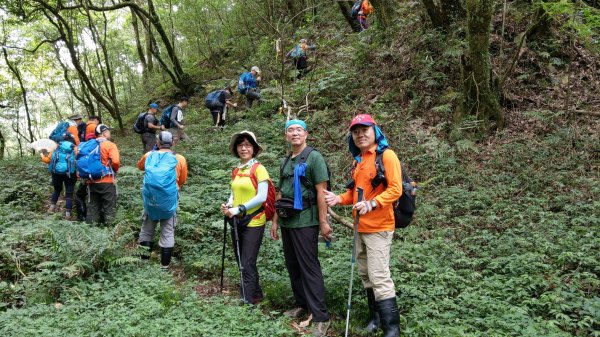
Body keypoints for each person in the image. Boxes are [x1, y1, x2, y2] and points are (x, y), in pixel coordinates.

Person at [323, 114, 401, 337]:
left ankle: (392, 330)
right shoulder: (359, 160)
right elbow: (355, 193)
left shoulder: (387, 156)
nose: (360, 134)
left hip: (379, 226)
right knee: (366, 275)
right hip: (360, 227)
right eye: (355, 131)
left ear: (374, 131)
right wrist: (339, 198)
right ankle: (375, 321)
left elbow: (396, 189)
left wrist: (373, 203)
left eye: (364, 130)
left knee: (379, 276)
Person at [269, 119, 332, 337]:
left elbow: (321, 192)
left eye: (298, 130)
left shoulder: (314, 157)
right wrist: (275, 220)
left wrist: (324, 222)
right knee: (293, 265)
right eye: (290, 130)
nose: (294, 133)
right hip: (287, 220)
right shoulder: (286, 160)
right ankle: (302, 304)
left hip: (306, 220)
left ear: (306, 134)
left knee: (309, 266)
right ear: (286, 136)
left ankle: (321, 317)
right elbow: (280, 193)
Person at [220, 131, 268, 304]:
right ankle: (256, 294)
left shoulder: (259, 169)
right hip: (236, 219)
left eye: (248, 145)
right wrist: (229, 205)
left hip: (254, 220)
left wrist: (239, 208)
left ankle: (246, 301)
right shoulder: (236, 170)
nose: (244, 148)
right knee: (242, 259)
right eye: (240, 145)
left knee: (247, 261)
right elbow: (234, 193)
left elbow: (262, 196)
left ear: (254, 149)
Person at [137, 131, 188, 270]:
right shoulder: (180, 159)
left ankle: (144, 264)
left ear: (157, 143)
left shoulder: (148, 155)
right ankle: (164, 267)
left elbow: (140, 166)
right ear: (172, 143)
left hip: (151, 200)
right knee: (167, 232)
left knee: (147, 230)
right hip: (168, 200)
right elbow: (182, 179)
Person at [85, 124, 120, 225]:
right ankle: (109, 231)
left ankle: (91, 230)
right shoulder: (110, 145)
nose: (109, 133)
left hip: (91, 181)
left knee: (93, 207)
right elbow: (116, 161)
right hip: (107, 181)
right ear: (104, 133)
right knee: (109, 207)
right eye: (108, 131)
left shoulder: (89, 145)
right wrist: (115, 171)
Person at [41, 132, 77, 220]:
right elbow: (78, 160)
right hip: (70, 173)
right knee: (69, 193)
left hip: (56, 173)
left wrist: (42, 155)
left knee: (57, 190)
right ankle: (68, 214)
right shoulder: (75, 148)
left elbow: (47, 160)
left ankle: (51, 208)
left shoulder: (56, 147)